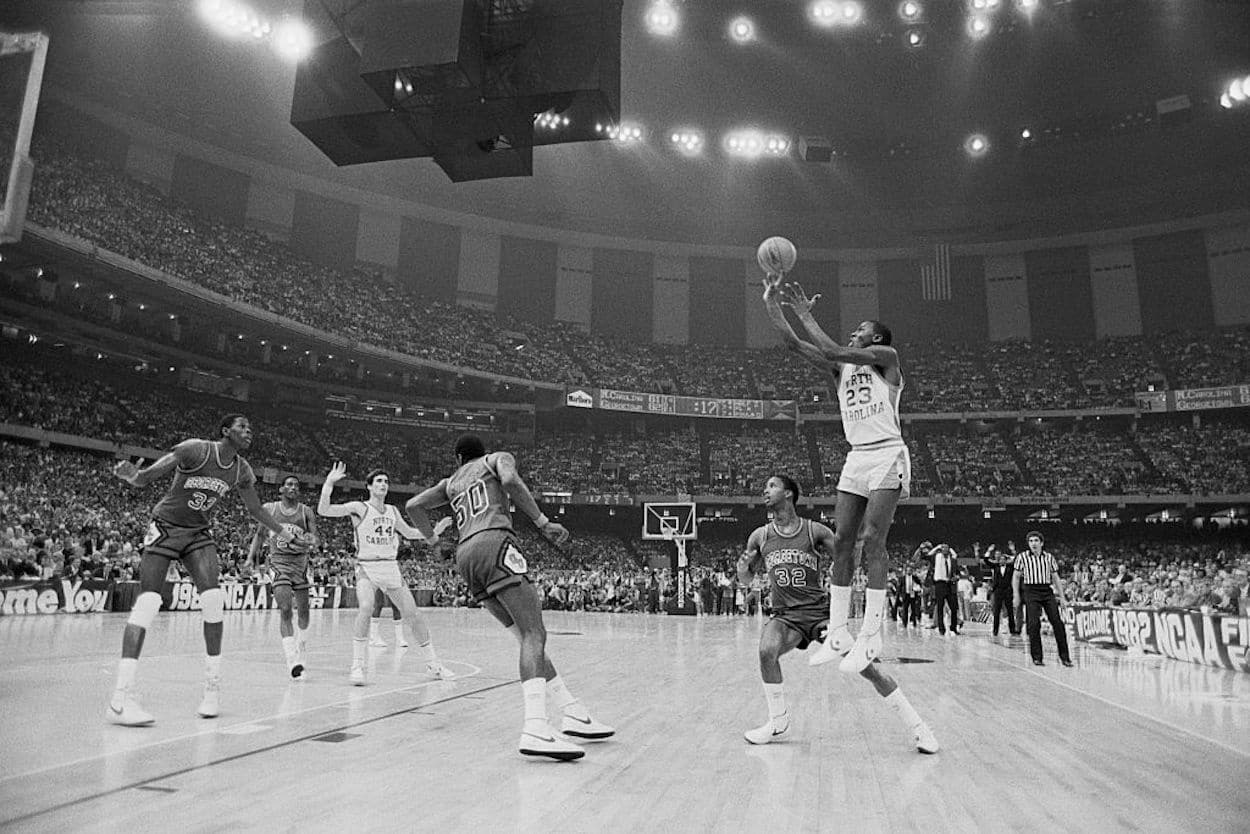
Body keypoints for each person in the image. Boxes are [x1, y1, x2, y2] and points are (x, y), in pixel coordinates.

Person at [405, 434, 614, 761]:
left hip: (465, 557)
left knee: (525, 637)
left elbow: (413, 505)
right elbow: (511, 480)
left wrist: (433, 540)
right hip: (495, 543)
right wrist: (543, 522)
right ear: (482, 452)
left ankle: (571, 710)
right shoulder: (496, 459)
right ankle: (535, 727)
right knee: (535, 633)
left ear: (458, 459)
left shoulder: (450, 483)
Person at [107, 414, 299, 726]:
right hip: (166, 527)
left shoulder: (241, 469)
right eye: (242, 427)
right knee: (147, 604)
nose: (248, 432)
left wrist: (282, 531)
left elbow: (255, 509)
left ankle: (211, 690)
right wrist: (131, 474)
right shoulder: (195, 450)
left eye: (251, 428)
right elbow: (145, 478)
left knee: (213, 602)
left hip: (197, 533)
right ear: (225, 431)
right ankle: (120, 698)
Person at [763, 277, 909, 673]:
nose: (854, 332)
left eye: (860, 329)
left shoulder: (887, 357)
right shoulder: (839, 368)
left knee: (873, 540)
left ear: (875, 337)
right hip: (857, 456)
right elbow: (795, 345)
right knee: (843, 541)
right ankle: (840, 630)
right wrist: (773, 305)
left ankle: (873, 633)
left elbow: (832, 347)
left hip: (886, 454)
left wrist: (806, 312)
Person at [737, 475, 938, 753]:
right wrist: (743, 568)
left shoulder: (814, 531)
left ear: (789, 494)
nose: (764, 490)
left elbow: (848, 562)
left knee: (868, 668)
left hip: (820, 613)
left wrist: (854, 543)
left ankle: (918, 727)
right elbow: (746, 580)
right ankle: (777, 720)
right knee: (765, 651)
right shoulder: (759, 536)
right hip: (785, 616)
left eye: (771, 486)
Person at [317, 463, 453, 685]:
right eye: (378, 481)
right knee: (366, 607)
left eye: (386, 481)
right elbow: (324, 510)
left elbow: (409, 532)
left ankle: (433, 664)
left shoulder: (392, 511)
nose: (383, 484)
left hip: (390, 567)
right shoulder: (359, 508)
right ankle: (358, 666)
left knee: (413, 615)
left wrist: (435, 531)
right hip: (367, 566)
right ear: (369, 486)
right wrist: (329, 483)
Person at [247, 474, 319, 678]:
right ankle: (292, 661)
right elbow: (260, 535)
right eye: (289, 484)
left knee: (304, 613)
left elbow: (316, 537)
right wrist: (251, 557)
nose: (293, 487)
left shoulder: (306, 511)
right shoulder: (270, 509)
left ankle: (301, 647)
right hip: (278, 564)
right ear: (281, 489)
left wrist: (309, 540)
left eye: (296, 485)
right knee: (286, 609)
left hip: (301, 566)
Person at [1012, 531, 1073, 667]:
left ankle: (1065, 657)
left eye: (1036, 540)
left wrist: (1062, 597)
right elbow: (1016, 577)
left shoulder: (1049, 557)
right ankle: (1037, 657)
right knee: (1033, 624)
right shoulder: (1022, 557)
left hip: (1046, 589)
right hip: (1030, 590)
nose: (1033, 543)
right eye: (1031, 541)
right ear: (1028, 544)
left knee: (1057, 622)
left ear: (1041, 543)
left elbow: (1056, 578)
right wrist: (1016, 595)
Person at [929, 543, 960, 636]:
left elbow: (957, 572)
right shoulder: (937, 557)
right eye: (943, 548)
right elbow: (929, 555)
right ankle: (941, 628)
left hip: (950, 584)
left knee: (954, 607)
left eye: (947, 548)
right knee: (940, 607)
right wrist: (937, 547)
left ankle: (953, 627)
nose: (945, 550)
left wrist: (957, 577)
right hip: (940, 584)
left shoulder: (952, 559)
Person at [988, 545, 1019, 636]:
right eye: (1000, 559)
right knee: (996, 611)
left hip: (1008, 591)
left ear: (1006, 560)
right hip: (998, 591)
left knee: (1010, 611)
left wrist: (1013, 550)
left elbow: (1016, 559)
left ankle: (1012, 629)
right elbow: (986, 560)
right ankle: (995, 630)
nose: (1001, 561)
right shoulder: (995, 567)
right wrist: (989, 551)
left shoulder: (1010, 567)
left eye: (1003, 559)